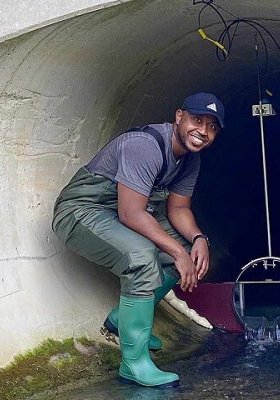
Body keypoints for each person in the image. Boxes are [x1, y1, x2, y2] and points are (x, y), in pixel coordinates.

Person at [51, 92, 224, 388]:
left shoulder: (190, 160)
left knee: (184, 252)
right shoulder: (145, 146)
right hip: (83, 210)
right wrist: (176, 252)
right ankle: (134, 364)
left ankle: (123, 322)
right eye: (197, 120)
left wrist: (198, 239)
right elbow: (131, 213)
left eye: (212, 127)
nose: (203, 132)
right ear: (179, 116)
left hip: (126, 211)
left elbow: (178, 207)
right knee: (142, 257)